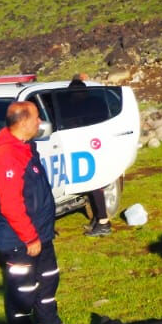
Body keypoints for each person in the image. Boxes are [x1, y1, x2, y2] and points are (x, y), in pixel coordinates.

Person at [0, 101, 77, 324]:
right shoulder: (6, 156)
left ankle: (49, 323)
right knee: (22, 290)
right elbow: (10, 204)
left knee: (48, 278)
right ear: (23, 121)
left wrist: (43, 230)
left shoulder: (27, 148)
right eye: (37, 117)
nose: (40, 122)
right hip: (20, 240)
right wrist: (29, 237)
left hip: (42, 233)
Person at [69, 74, 112, 236]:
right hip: (95, 146)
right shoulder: (96, 102)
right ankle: (99, 219)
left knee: (95, 184)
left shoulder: (86, 106)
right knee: (93, 185)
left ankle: (103, 222)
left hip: (92, 147)